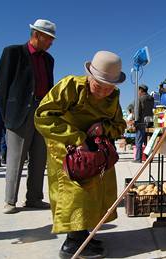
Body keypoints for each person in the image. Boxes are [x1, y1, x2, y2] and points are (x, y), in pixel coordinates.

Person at [34, 50, 127, 258]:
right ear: (90, 76)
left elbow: (119, 125)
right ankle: (72, 244)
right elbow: (43, 116)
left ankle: (86, 235)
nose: (103, 92)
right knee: (75, 194)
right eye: (98, 86)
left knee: (96, 192)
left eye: (108, 87)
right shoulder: (71, 86)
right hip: (68, 149)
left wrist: (103, 129)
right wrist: (77, 138)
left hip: (96, 151)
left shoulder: (113, 96)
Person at [0, 19, 56, 214]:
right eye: (48, 38)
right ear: (37, 35)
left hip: (42, 113)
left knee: (39, 158)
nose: (51, 43)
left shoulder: (49, 60)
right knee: (16, 158)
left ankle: (34, 198)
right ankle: (10, 201)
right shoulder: (13, 53)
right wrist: (7, 116)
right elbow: (2, 86)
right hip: (19, 113)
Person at [133, 84, 154, 163]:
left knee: (139, 141)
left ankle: (138, 158)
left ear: (141, 90)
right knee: (148, 142)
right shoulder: (151, 98)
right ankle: (149, 158)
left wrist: (136, 122)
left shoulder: (140, 99)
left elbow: (138, 111)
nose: (138, 92)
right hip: (150, 122)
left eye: (138, 91)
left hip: (141, 122)